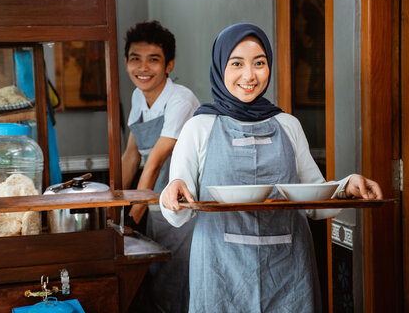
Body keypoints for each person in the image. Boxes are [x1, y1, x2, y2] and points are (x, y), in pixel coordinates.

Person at [160, 23, 382, 312]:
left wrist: (346, 187)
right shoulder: (199, 127)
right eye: (236, 63)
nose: (249, 75)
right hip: (219, 269)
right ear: (219, 67)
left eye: (259, 63)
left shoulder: (288, 125)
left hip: (288, 268)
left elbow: (314, 203)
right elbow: (177, 213)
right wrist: (173, 193)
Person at [121, 20, 200, 313]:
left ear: (169, 65)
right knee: (156, 282)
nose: (143, 68)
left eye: (153, 60)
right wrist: (109, 207)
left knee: (178, 280)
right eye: (135, 59)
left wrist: (128, 220)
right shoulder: (137, 97)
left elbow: (154, 162)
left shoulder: (180, 99)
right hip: (154, 205)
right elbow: (131, 156)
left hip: (184, 208)